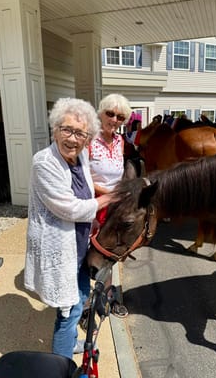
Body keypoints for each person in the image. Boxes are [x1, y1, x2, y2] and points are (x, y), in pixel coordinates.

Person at [24, 97, 116, 360]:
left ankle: (70, 343)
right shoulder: (44, 162)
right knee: (68, 311)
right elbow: (70, 208)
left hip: (78, 242)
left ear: (88, 138)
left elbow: (85, 191)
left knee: (81, 297)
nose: (73, 139)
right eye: (67, 130)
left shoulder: (81, 157)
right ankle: (60, 364)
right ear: (54, 129)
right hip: (59, 247)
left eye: (80, 133)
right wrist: (113, 197)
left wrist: (94, 218)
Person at [87, 93, 132, 318]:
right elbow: (83, 178)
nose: (114, 120)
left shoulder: (120, 141)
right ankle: (86, 305)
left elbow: (119, 175)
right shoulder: (89, 139)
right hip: (92, 203)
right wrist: (112, 194)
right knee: (87, 253)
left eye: (120, 117)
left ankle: (108, 296)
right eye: (110, 113)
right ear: (101, 112)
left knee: (111, 252)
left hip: (114, 205)